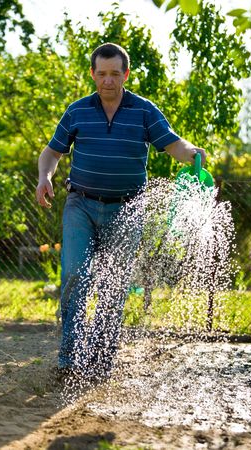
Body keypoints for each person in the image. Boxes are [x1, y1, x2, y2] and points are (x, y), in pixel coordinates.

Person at [36, 42, 206, 382]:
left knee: (114, 285)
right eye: (102, 74)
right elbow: (52, 153)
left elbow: (173, 144)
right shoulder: (77, 111)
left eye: (115, 74)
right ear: (93, 74)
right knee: (73, 278)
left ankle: (100, 360)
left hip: (127, 210)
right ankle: (69, 360)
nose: (108, 81)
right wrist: (44, 176)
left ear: (125, 74)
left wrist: (193, 154)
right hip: (80, 205)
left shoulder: (144, 111)